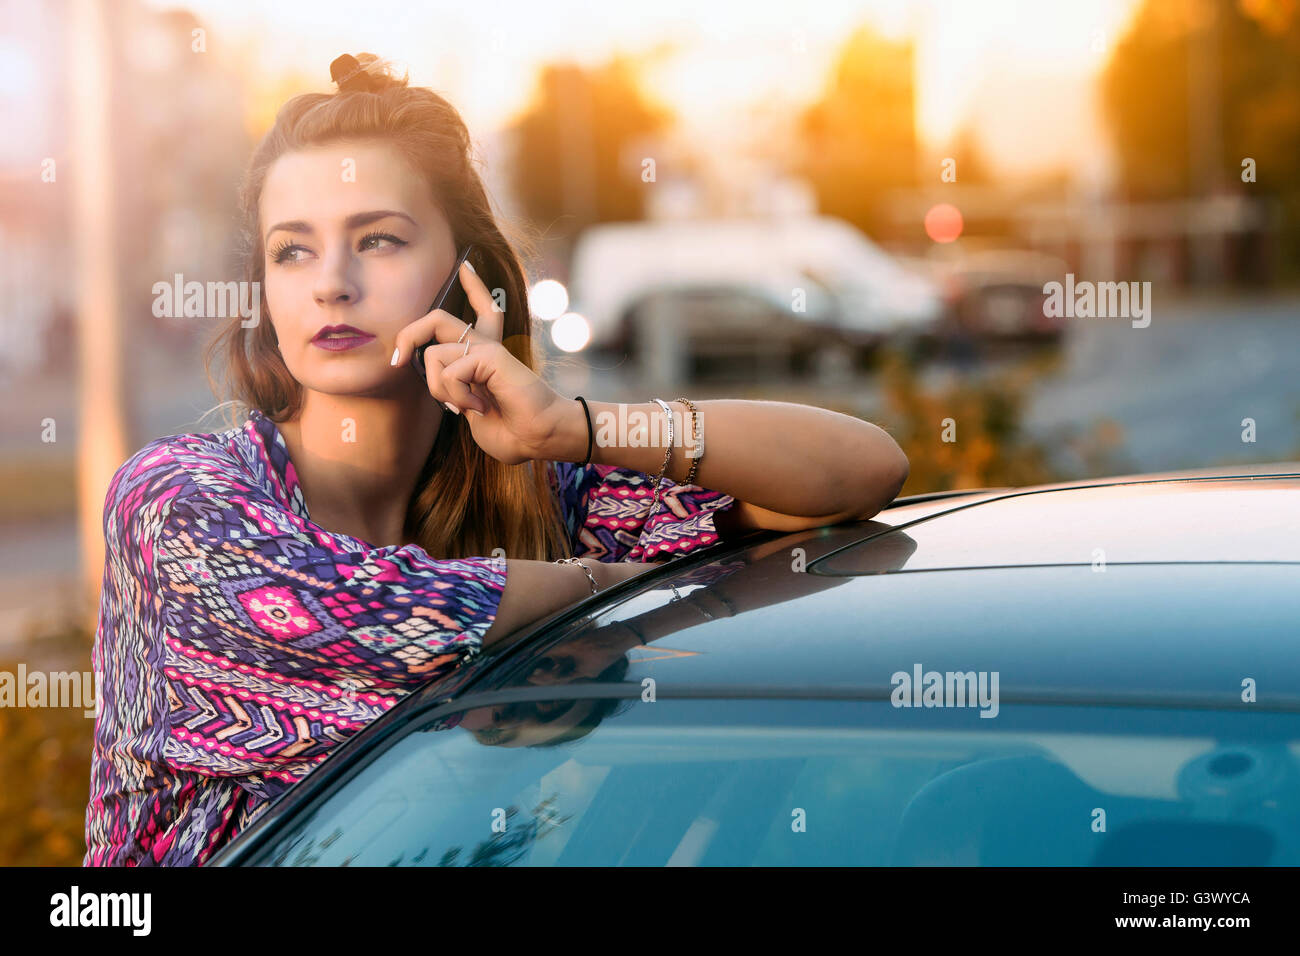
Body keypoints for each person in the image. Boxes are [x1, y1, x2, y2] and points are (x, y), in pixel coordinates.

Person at [83, 52, 909, 866]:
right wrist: (601, 588)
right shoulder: (178, 498)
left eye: (376, 239)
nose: (330, 283)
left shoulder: (547, 494)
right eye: (291, 251)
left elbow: (858, 471)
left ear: (466, 277)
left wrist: (569, 428)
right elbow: (355, 612)